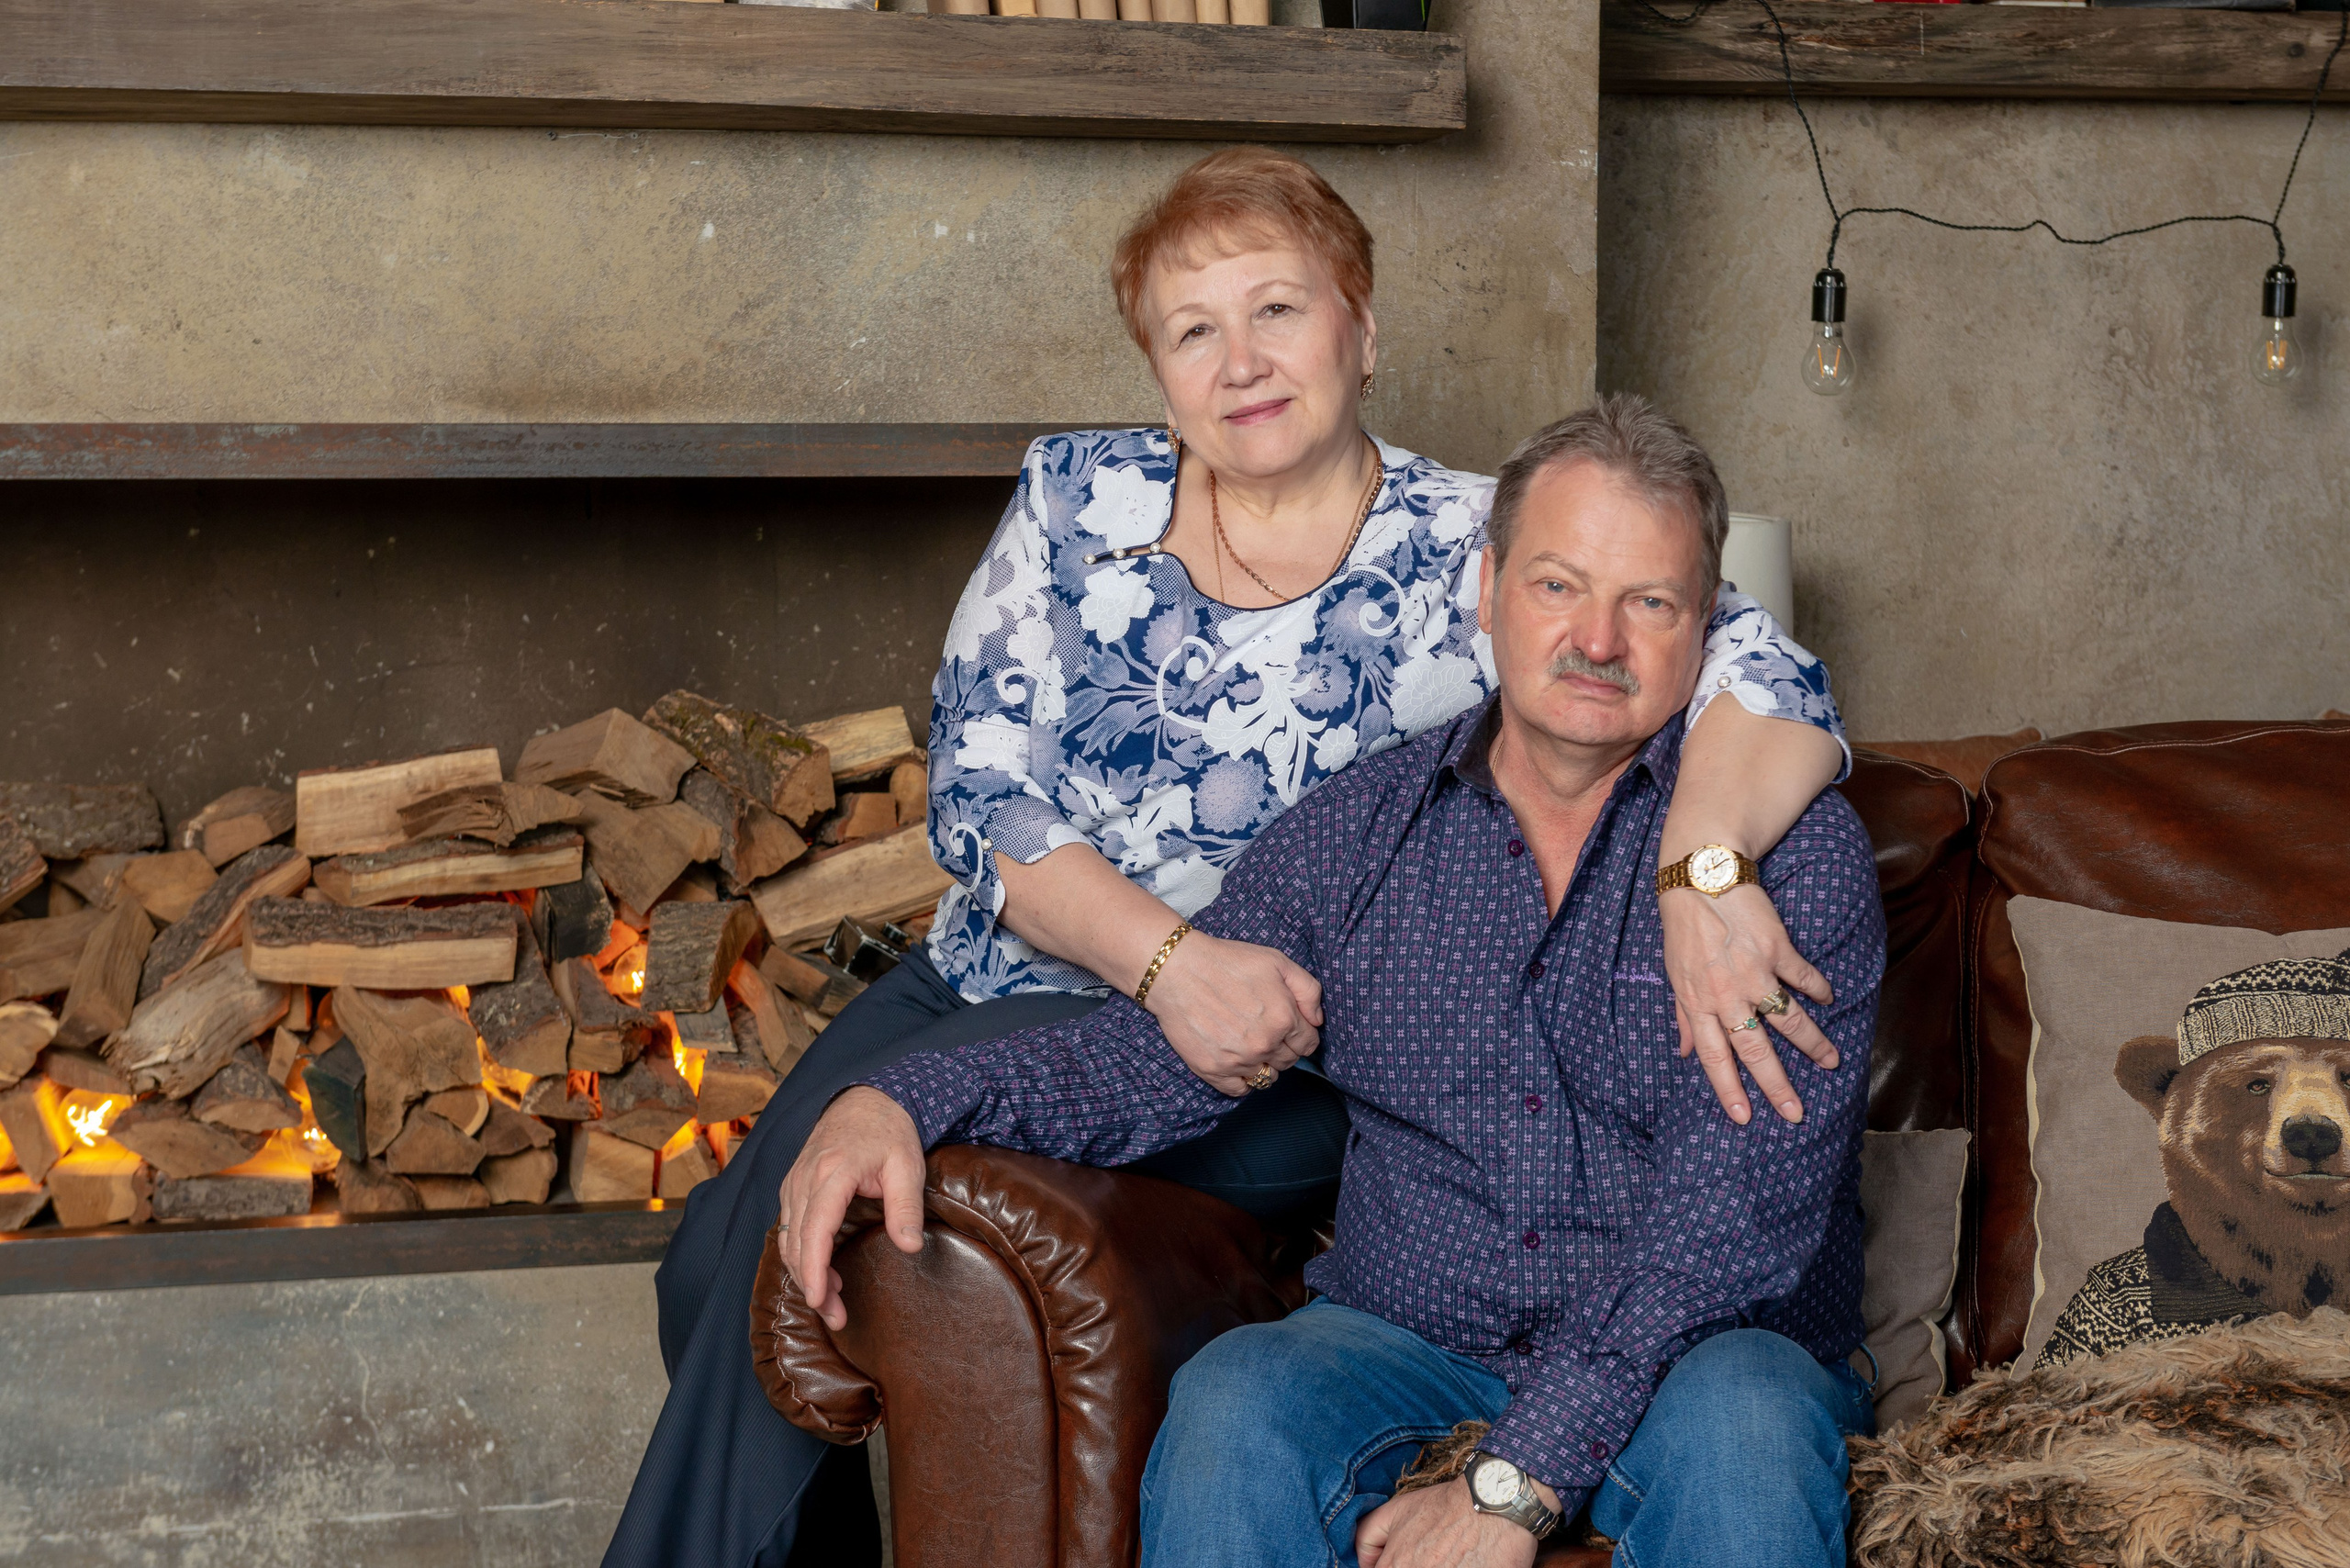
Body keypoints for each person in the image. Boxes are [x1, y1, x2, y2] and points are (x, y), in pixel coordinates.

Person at [603, 151, 1853, 1568]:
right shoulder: (1081, 496)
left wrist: (1703, 865)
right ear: (1156, 366)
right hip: (1024, 972)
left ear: (1364, 330)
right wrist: (1154, 967)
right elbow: (982, 784)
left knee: (824, 1241)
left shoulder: (1486, 540)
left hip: (1264, 1030)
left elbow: (1747, 665)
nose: (1241, 362)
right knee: (720, 1257)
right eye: (1195, 329)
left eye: (1279, 311)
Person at [785, 396, 1886, 1568]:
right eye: (1557, 585)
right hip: (1410, 1342)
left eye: (1649, 602)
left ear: (1705, 623)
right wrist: (898, 1099)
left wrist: (1511, 1483)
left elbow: (1726, 1231)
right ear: (1487, 590)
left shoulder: (1783, 865)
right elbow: (1147, 1059)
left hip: (1698, 1356)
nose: (1597, 640)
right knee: (1236, 1404)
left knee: (1748, 1428)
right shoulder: (1355, 836)